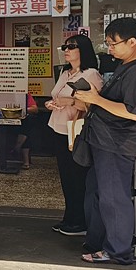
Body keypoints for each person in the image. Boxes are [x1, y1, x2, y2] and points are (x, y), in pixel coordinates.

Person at [72, 18, 136, 265]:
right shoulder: (125, 66)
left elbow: (133, 111)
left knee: (113, 197)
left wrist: (96, 100)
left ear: (132, 42)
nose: (110, 49)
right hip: (103, 141)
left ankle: (118, 250)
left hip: (117, 143)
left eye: (113, 44)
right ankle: (98, 241)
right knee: (98, 192)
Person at [44, 34, 104, 236]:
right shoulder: (65, 72)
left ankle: (80, 221)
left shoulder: (91, 74)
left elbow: (94, 106)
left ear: (83, 50)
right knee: (66, 177)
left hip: (76, 131)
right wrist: (51, 104)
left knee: (77, 177)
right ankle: (69, 217)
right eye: (65, 47)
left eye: (71, 46)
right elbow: (57, 96)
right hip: (58, 129)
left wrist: (68, 102)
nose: (66, 50)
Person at [12, 93, 40, 168]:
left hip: (23, 121)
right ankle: (25, 161)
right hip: (9, 121)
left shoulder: (26, 94)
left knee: (26, 125)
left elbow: (35, 109)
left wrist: (22, 110)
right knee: (26, 131)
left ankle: (17, 148)